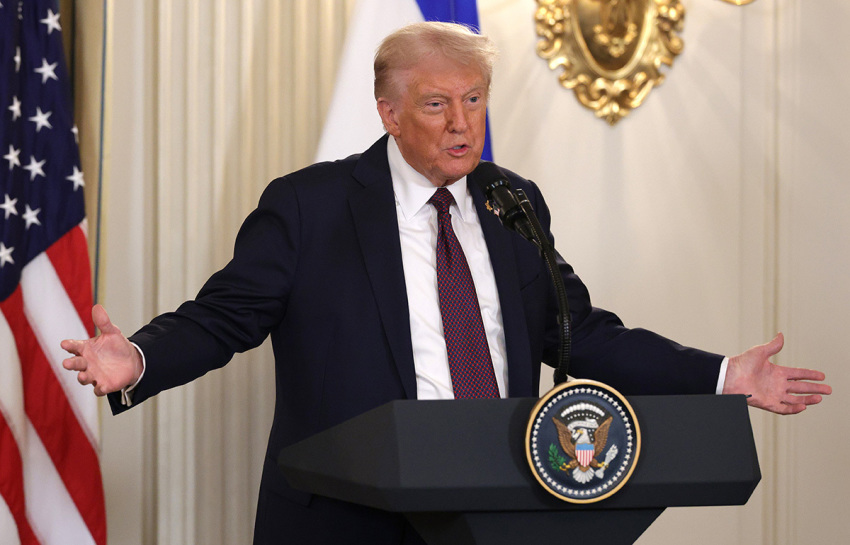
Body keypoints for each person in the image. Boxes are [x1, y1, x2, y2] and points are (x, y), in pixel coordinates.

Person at [61, 22, 830, 545]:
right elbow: (225, 315)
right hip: (348, 519)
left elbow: (581, 333)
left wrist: (724, 374)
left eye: (474, 99)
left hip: (498, 512)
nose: (463, 123)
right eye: (437, 104)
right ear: (389, 113)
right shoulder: (311, 204)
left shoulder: (511, 200)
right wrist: (141, 358)